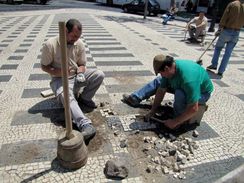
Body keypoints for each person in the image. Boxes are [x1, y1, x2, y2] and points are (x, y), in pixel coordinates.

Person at [41, 19, 105, 141]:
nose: (75, 39)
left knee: (99, 74)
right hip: (59, 79)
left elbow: (81, 64)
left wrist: (80, 72)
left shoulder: (79, 43)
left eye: (78, 36)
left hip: (75, 76)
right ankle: (85, 124)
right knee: (66, 96)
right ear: (65, 31)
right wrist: (58, 72)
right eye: (73, 36)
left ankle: (84, 99)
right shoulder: (50, 44)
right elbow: (44, 66)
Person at [122, 54, 213, 130]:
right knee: (159, 80)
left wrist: (175, 121)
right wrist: (153, 110)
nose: (161, 75)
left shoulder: (189, 80)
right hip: (181, 85)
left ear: (166, 68)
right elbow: (161, 91)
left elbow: (193, 108)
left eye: (161, 72)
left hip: (202, 93)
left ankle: (178, 122)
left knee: (180, 93)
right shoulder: (170, 70)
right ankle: (136, 97)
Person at [207, 0, 244, 78]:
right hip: (237, 31)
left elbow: (225, 16)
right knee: (228, 53)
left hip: (227, 30)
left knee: (218, 48)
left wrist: (220, 28)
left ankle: (214, 64)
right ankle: (221, 71)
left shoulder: (233, 4)